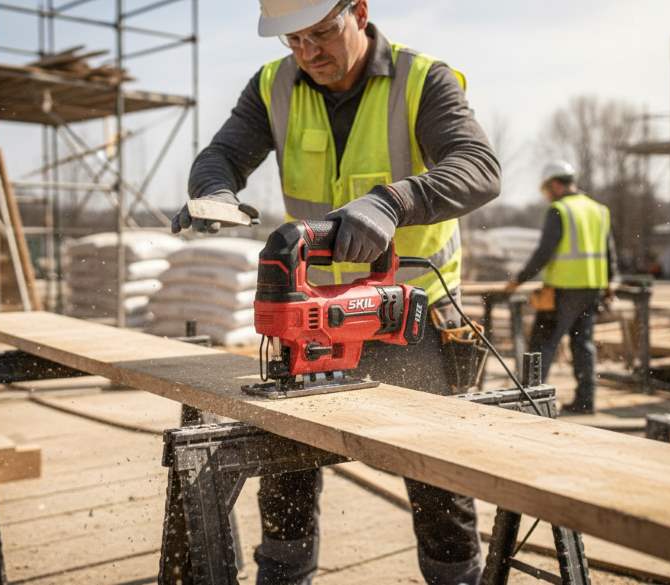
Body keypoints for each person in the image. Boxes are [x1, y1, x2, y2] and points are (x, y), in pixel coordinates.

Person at [172, 1, 500, 583]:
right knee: (285, 468)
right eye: (293, 40)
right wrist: (213, 189)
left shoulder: (422, 79)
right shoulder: (273, 86)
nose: (309, 53)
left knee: (436, 478)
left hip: (408, 313)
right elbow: (223, 154)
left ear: (360, 11)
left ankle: (456, 576)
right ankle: (284, 573)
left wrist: (393, 202)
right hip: (314, 318)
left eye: (322, 32)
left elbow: (479, 167)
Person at [505, 161, 617, 414]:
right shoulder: (599, 210)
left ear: (555, 184)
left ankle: (531, 404)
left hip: (563, 289)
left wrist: (518, 280)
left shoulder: (559, 210)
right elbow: (610, 253)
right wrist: (610, 283)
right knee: (583, 345)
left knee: (542, 345)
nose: (546, 196)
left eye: (546, 190)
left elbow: (544, 252)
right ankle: (585, 401)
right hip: (592, 288)